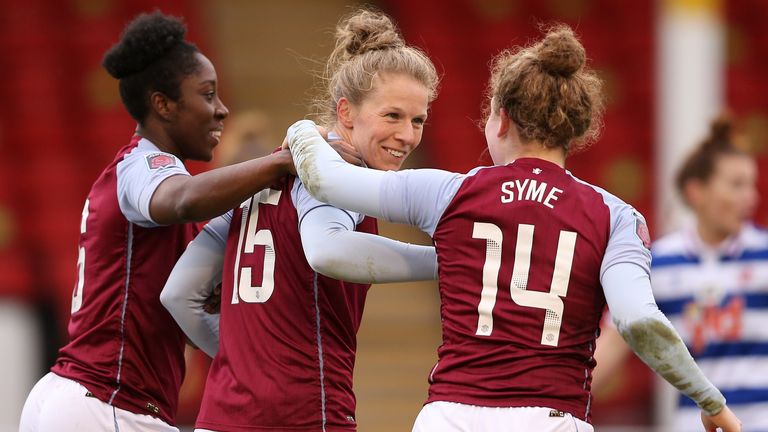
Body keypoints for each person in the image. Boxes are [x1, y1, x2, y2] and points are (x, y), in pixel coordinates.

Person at [285, 25, 742, 432]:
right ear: (573, 130)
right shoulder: (617, 218)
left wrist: (303, 131)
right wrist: (709, 399)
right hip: (551, 417)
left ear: (500, 118)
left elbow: (329, 180)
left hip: (451, 417)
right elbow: (639, 321)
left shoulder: (449, 192)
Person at [18, 11, 301, 432]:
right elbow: (181, 199)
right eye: (207, 95)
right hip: (110, 401)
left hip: (80, 395)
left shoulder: (141, 176)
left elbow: (174, 302)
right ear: (162, 104)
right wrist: (280, 162)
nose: (221, 110)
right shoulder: (146, 163)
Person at [160, 9, 440, 432]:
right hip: (303, 413)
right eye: (392, 116)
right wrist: (445, 258)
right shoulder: (337, 174)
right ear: (346, 113)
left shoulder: (265, 172)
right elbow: (327, 250)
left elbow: (179, 294)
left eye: (418, 120)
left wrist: (247, 363)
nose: (408, 136)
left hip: (221, 416)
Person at [649, 116, 766, 431]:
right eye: (737, 185)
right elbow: (614, 344)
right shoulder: (658, 262)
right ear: (696, 192)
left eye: (751, 185)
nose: (751, 197)